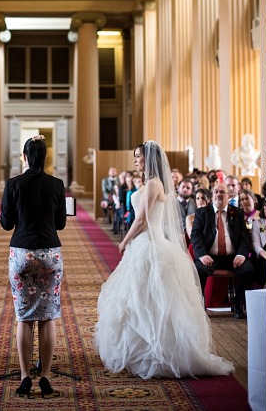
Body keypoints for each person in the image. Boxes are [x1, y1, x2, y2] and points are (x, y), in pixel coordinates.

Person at [95, 141, 233, 379]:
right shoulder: (150, 183)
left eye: (138, 156)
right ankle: (139, 349)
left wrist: (124, 241)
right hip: (146, 242)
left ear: (149, 159)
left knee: (153, 299)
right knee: (139, 297)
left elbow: (141, 220)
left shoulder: (153, 184)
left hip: (150, 242)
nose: (135, 160)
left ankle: (158, 350)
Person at [0, 135, 66, 398]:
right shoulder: (57, 185)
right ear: (45, 158)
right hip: (50, 254)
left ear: (25, 157)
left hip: (22, 253)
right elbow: (60, 223)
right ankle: (46, 377)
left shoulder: (13, 184)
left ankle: (25, 377)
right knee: (47, 316)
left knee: (25, 317)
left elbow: (6, 223)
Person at [190, 181, 254, 319]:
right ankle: (200, 306)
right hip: (209, 256)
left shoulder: (237, 212)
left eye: (222, 192)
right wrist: (202, 255)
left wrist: (241, 255)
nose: (219, 194)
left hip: (233, 257)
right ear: (212, 195)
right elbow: (195, 236)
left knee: (247, 269)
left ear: (228, 196)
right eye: (216, 192)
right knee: (198, 270)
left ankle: (237, 304)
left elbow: (245, 237)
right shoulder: (202, 213)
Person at [239, 189, 266, 287]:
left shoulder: (261, 217)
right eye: (242, 199)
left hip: (258, 249)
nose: (244, 201)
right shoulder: (239, 217)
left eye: (247, 198)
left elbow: (263, 236)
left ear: (254, 200)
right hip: (247, 250)